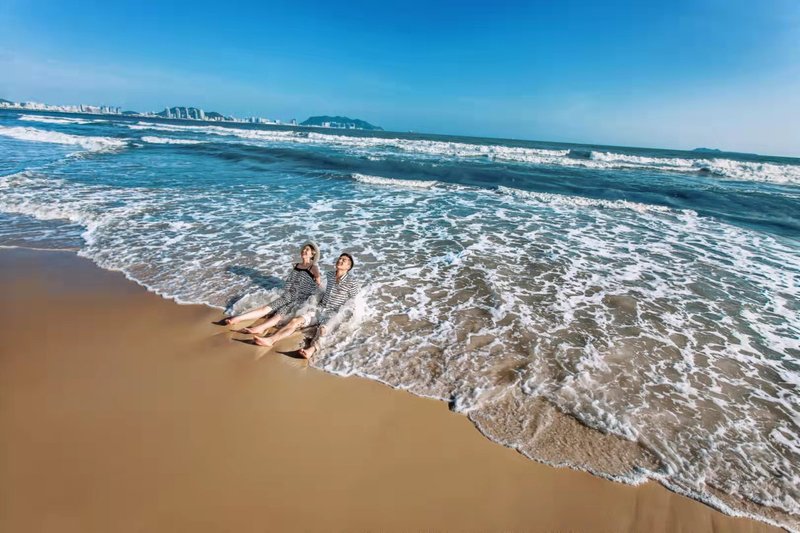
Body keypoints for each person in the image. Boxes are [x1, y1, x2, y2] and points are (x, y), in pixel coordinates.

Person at [253, 252, 360, 359]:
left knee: (323, 330)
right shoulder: (330, 275)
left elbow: (353, 301)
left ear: (348, 266)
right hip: (319, 310)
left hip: (333, 313)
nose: (340, 261)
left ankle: (310, 350)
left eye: (343, 260)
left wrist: (346, 317)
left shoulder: (352, 282)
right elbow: (320, 286)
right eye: (339, 258)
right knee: (295, 321)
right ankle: (271, 340)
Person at [222, 242, 321, 333]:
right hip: (289, 294)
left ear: (312, 254)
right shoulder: (296, 265)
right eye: (304, 249)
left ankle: (259, 328)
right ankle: (238, 318)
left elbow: (318, 284)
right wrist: (286, 292)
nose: (304, 251)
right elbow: (290, 282)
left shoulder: (313, 267)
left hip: (300, 298)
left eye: (307, 250)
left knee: (278, 315)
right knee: (265, 308)